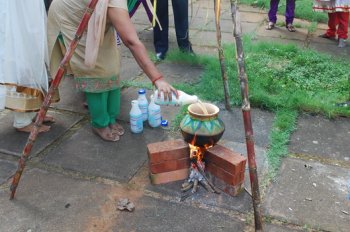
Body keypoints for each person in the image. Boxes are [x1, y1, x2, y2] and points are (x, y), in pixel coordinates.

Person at [47, 0, 178, 142]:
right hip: (73, 17)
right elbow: (131, 41)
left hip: (98, 12)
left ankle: (110, 116)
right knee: (94, 70)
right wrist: (157, 78)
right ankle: (100, 123)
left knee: (112, 63)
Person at [0, 0, 53, 133]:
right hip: (18, 16)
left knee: (36, 58)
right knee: (23, 62)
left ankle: (33, 111)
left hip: (30, 13)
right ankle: (22, 121)